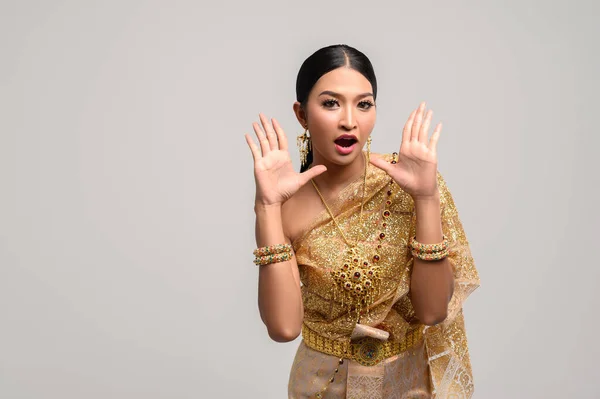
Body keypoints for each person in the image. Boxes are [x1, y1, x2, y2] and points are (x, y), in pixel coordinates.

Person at [245, 44, 480, 399]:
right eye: (330, 103)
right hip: (321, 387)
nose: (349, 120)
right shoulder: (286, 205)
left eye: (364, 104)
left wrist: (426, 198)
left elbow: (433, 311)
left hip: (408, 385)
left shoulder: (406, 183)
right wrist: (267, 207)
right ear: (302, 114)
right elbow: (283, 327)